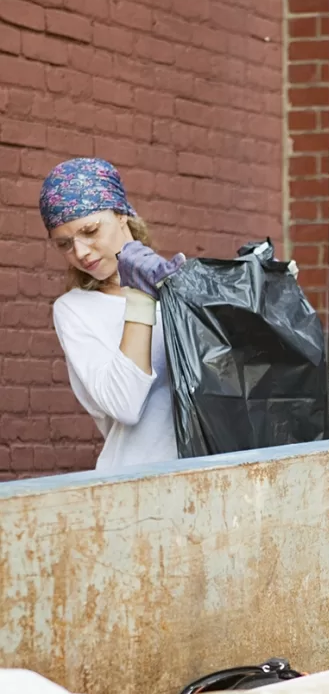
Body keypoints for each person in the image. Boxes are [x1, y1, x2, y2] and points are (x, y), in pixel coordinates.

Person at [42, 158, 185, 473]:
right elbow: (125, 405)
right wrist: (139, 296)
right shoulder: (75, 309)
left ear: (122, 215)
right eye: (65, 244)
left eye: (90, 231)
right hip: (135, 486)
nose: (81, 252)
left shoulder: (180, 289)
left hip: (214, 476)